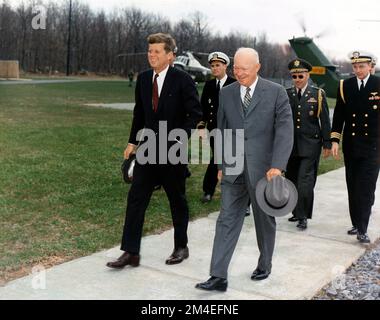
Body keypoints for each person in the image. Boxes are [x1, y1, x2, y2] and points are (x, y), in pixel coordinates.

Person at [195, 48, 293, 291]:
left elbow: (284, 131)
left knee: (264, 219)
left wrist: (278, 166)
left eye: (244, 69)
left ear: (257, 67)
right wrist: (220, 164)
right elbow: (223, 130)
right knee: (226, 219)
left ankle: (265, 263)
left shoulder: (276, 92)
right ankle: (218, 276)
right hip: (233, 167)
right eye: (236, 68)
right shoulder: (227, 94)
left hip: (264, 170)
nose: (238, 73)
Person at [106, 33, 202, 269]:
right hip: (147, 149)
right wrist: (132, 142)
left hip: (172, 151)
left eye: (157, 51)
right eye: (149, 51)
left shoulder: (183, 80)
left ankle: (181, 247)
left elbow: (195, 114)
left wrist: (180, 137)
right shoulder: (144, 79)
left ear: (170, 55)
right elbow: (139, 113)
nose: (151, 55)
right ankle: (131, 252)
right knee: (136, 199)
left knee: (176, 199)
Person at [331, 51, 380, 244]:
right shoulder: (345, 86)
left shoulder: (378, 84)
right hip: (351, 147)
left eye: (362, 66)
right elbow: (339, 116)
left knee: (366, 188)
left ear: (370, 66)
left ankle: (363, 228)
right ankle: (356, 222)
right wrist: (335, 140)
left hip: (374, 147)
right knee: (353, 186)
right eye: (355, 66)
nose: (358, 70)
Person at [285, 58, 331, 230]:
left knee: (305, 181)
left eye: (301, 75)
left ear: (307, 75)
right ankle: (296, 212)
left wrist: (327, 142)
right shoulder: (286, 93)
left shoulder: (317, 94)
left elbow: (325, 120)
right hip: (290, 146)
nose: (297, 79)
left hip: (311, 145)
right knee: (291, 179)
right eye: (294, 76)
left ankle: (303, 216)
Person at [197, 51, 236, 203]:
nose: (214, 68)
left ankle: (210, 190)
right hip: (214, 130)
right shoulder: (209, 85)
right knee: (218, 158)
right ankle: (209, 190)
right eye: (212, 66)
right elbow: (203, 109)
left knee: (226, 160)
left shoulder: (234, 84)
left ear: (225, 66)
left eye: (218, 65)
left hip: (232, 130)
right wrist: (201, 126)